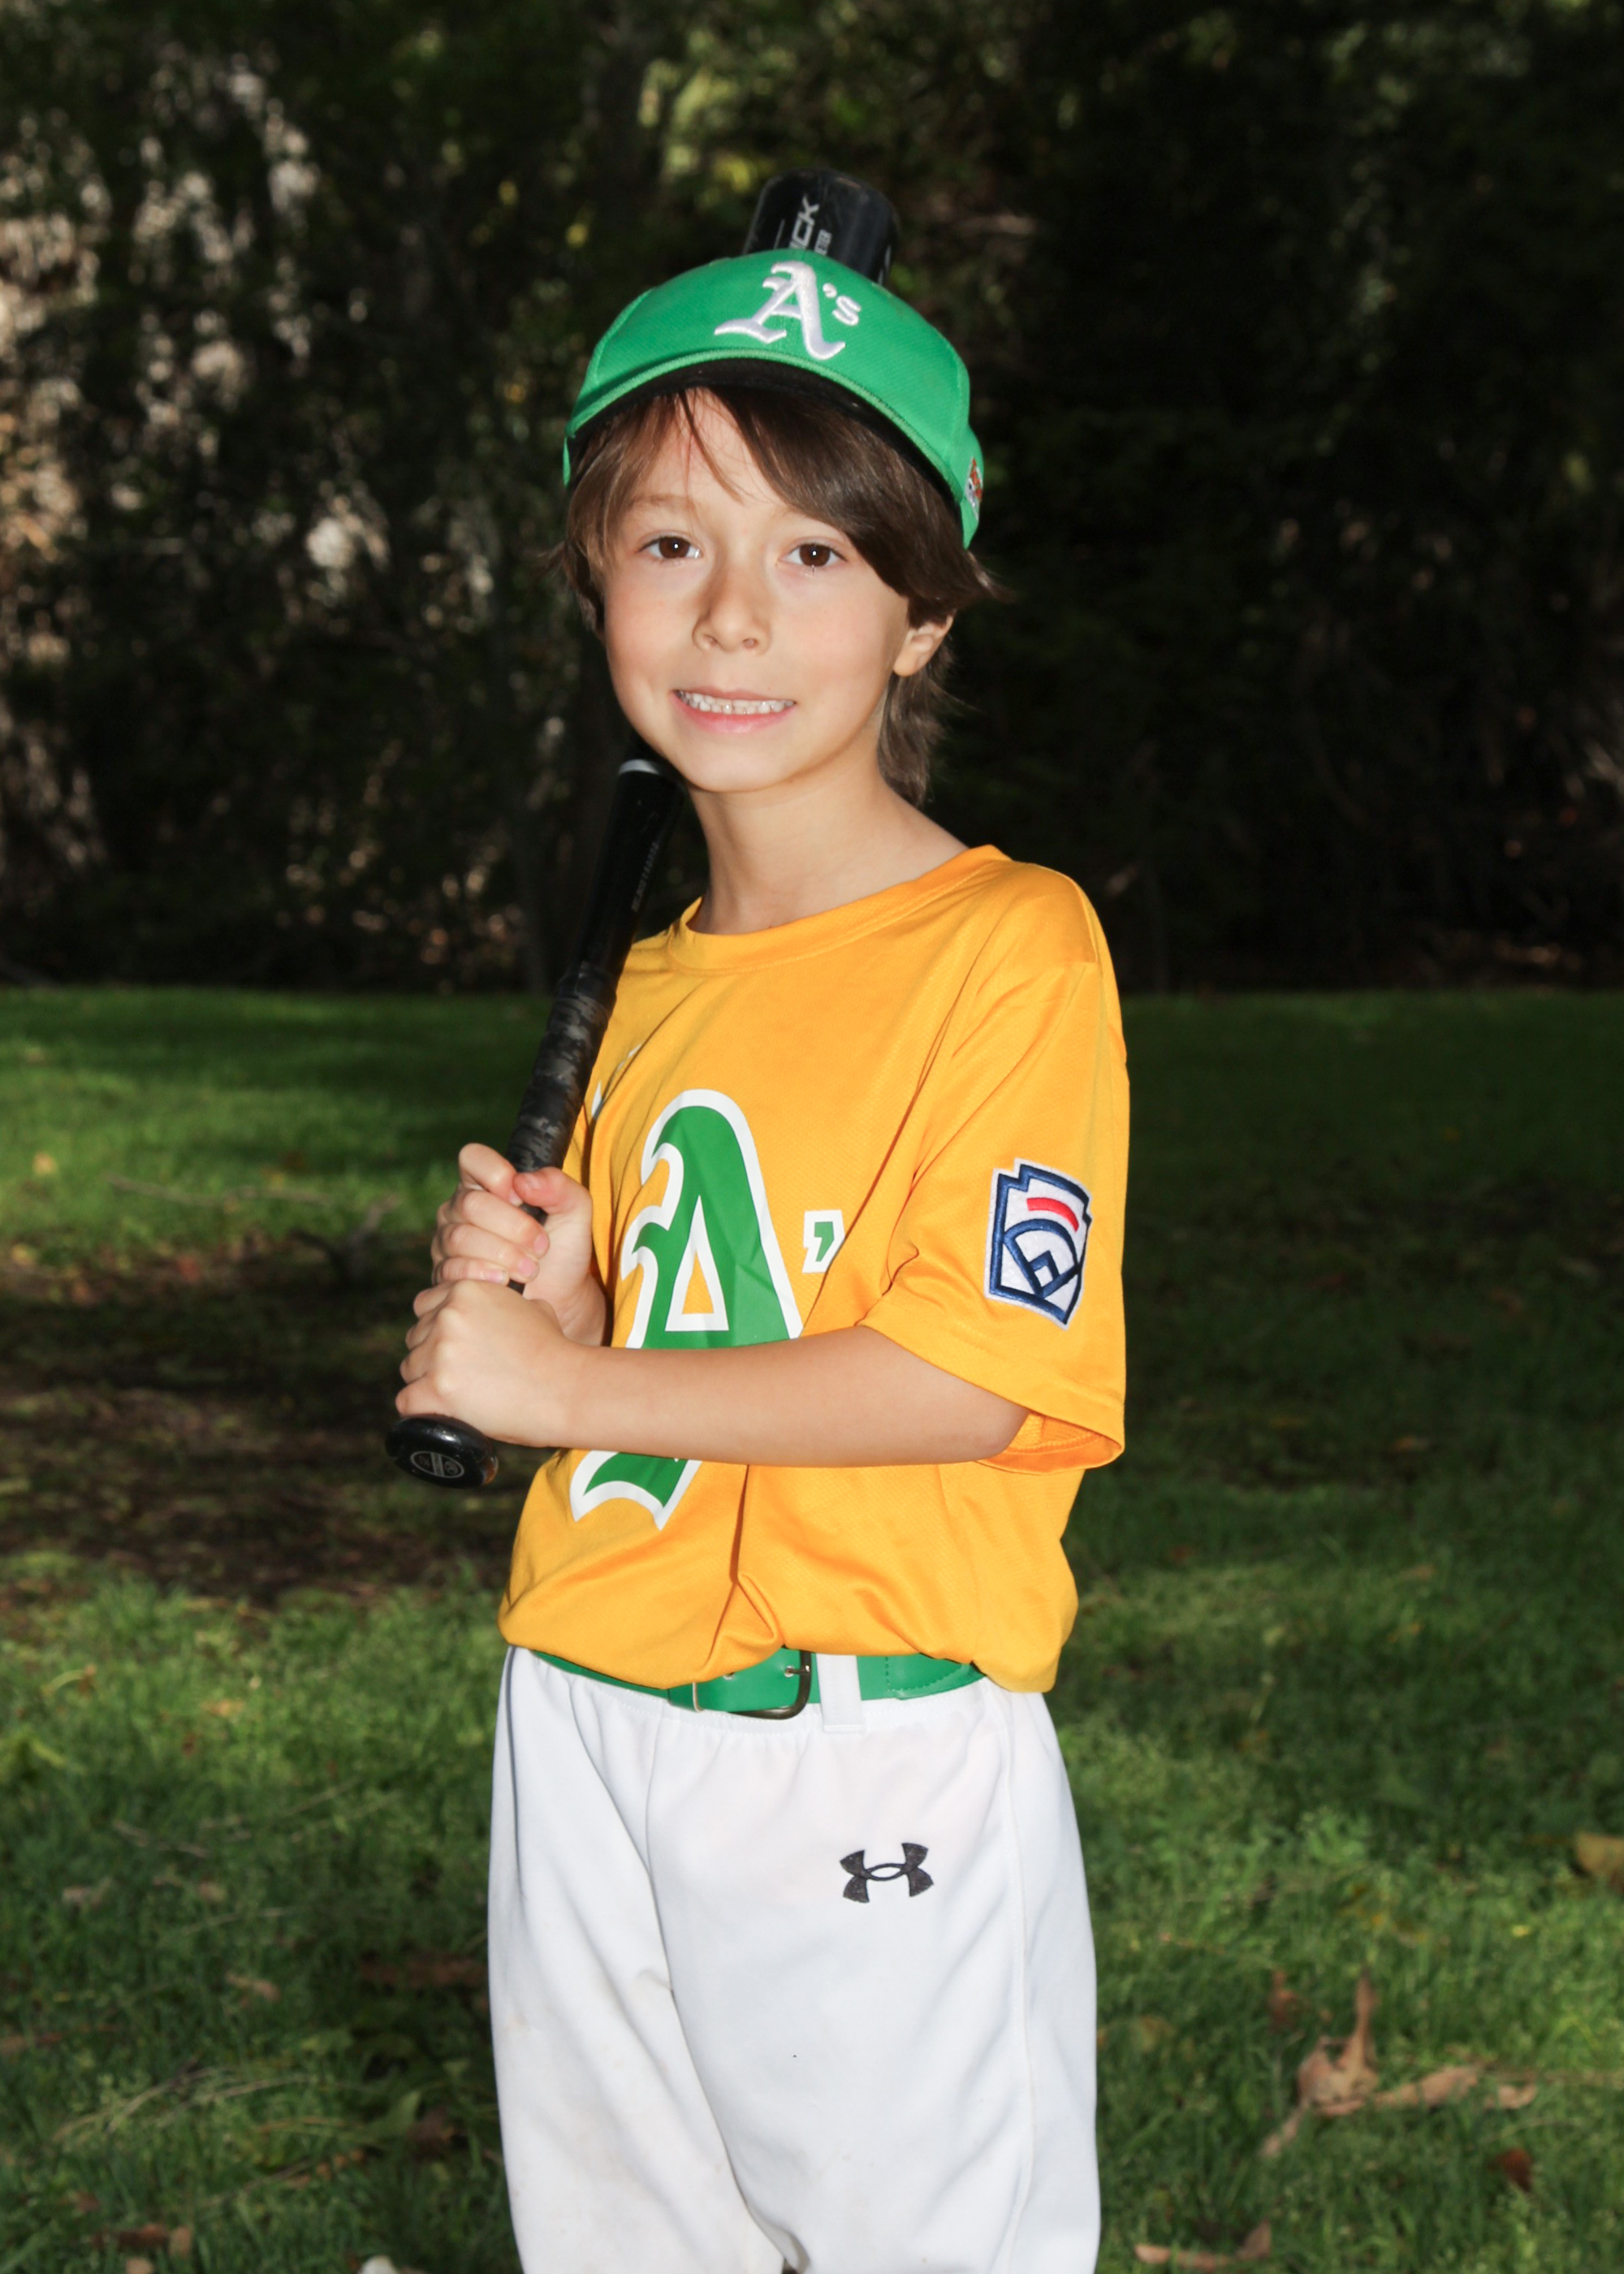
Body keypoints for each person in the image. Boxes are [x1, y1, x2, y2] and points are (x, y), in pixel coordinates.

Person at [395, 244, 1129, 2274]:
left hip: (861, 1734)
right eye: (670, 541)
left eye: (814, 552)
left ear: (923, 612)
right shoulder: (639, 987)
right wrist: (568, 1309)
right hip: (586, 1699)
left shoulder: (1010, 945)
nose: (732, 612)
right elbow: (686, 1346)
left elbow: (970, 1373)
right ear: (595, 578)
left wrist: (569, 1381)